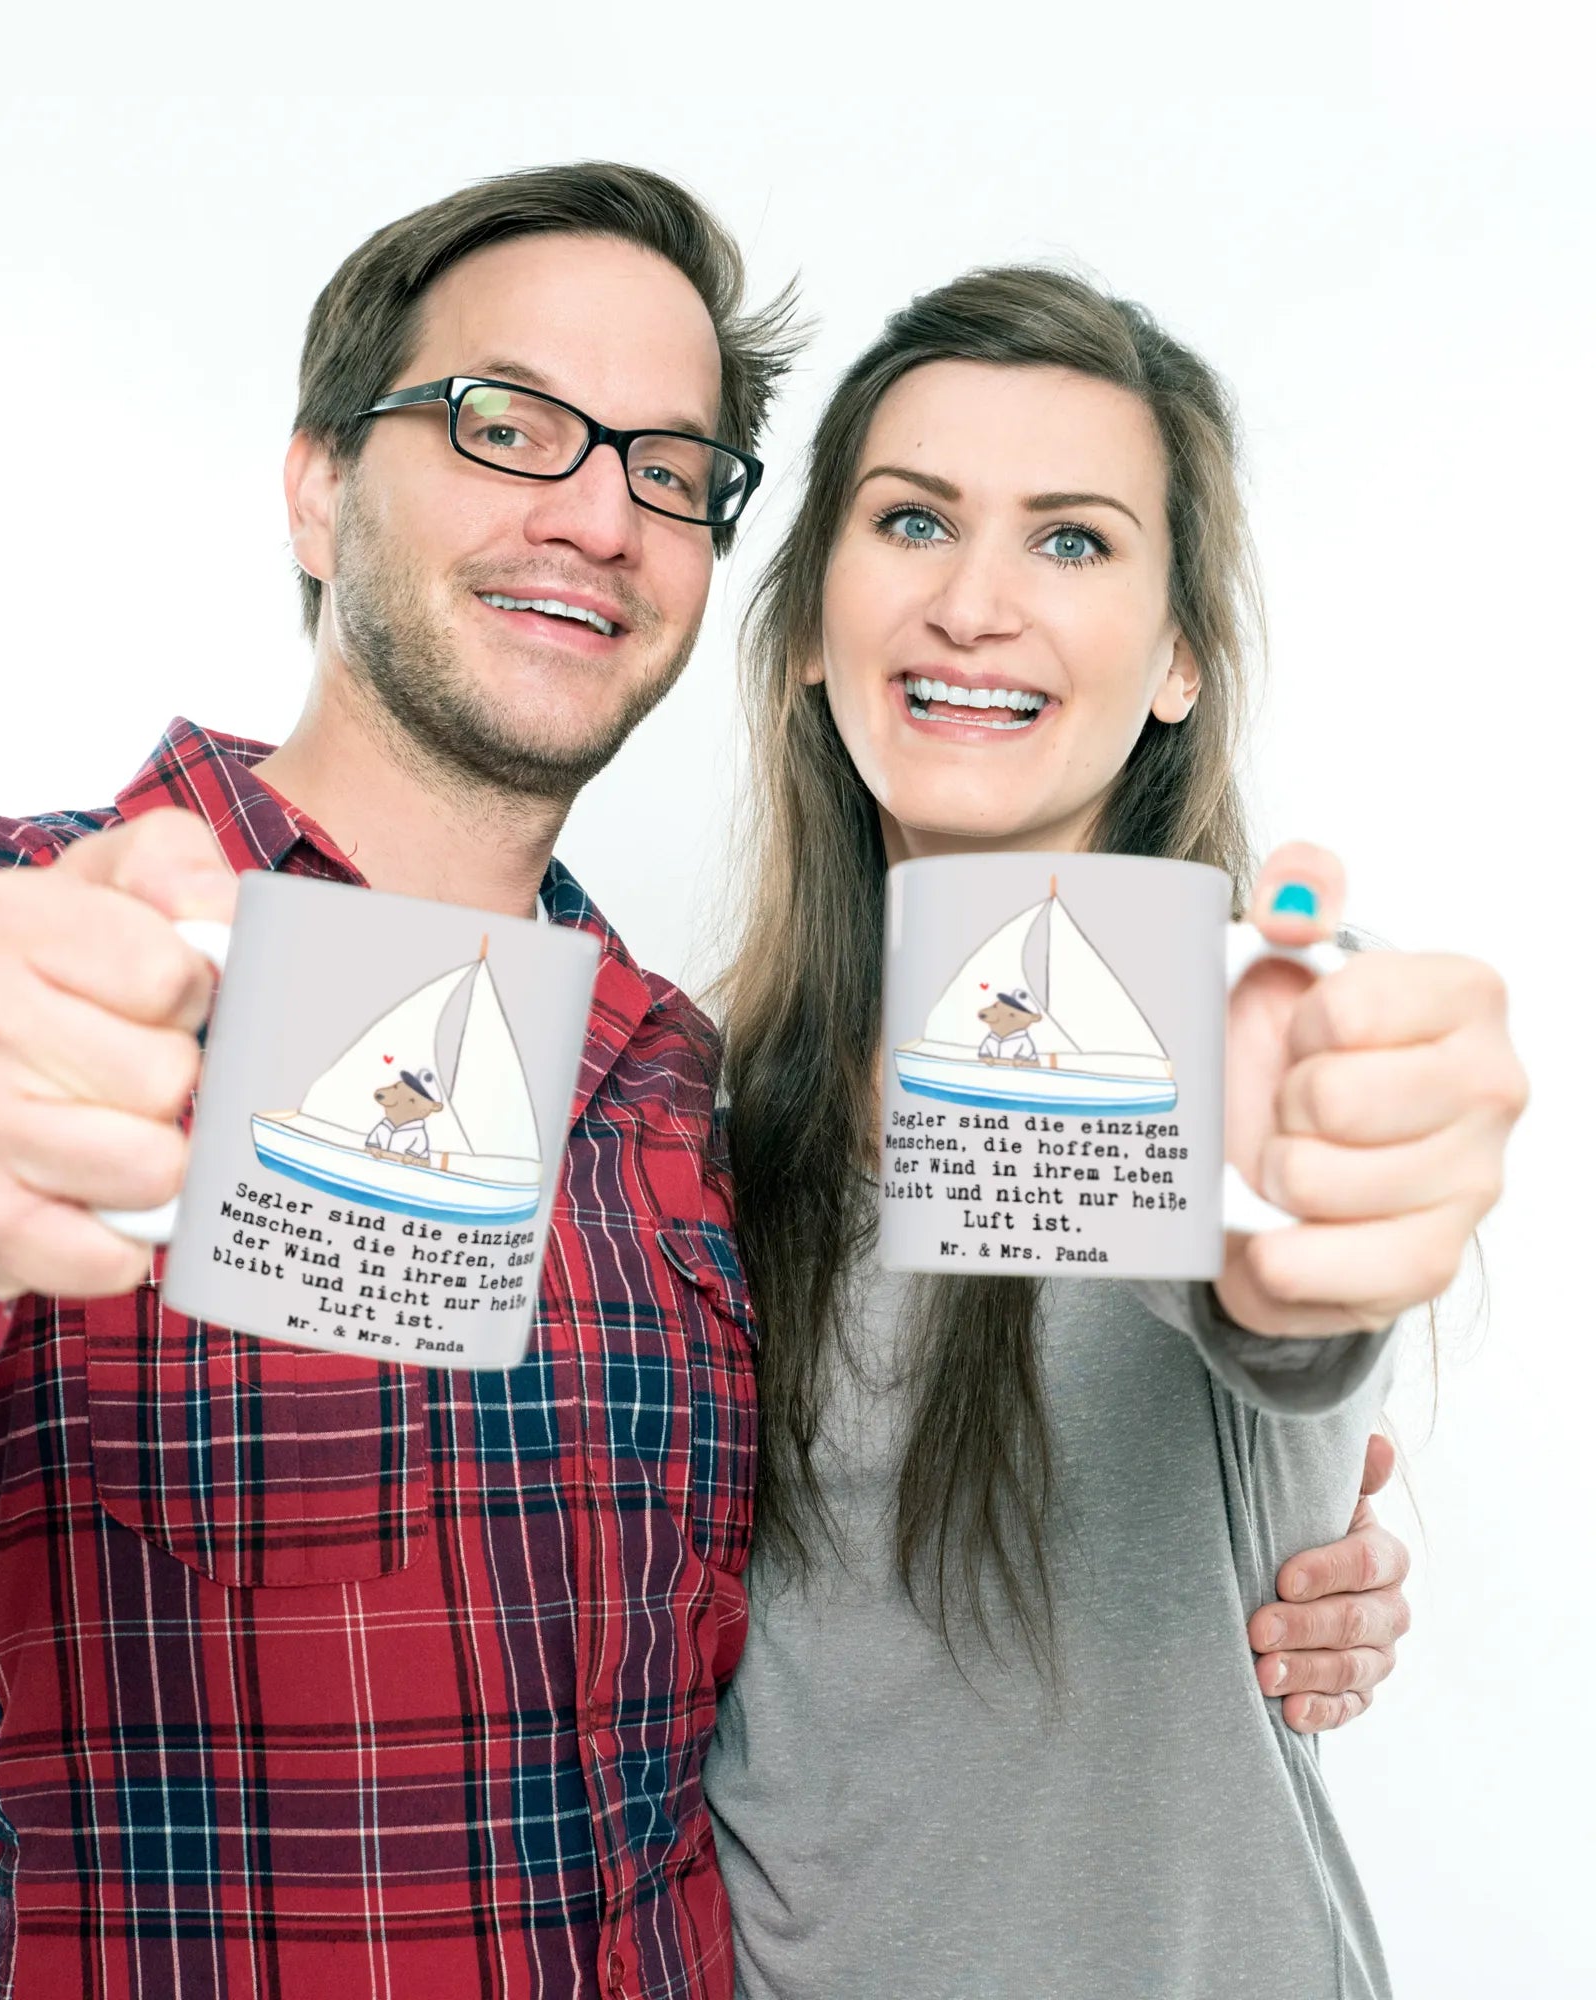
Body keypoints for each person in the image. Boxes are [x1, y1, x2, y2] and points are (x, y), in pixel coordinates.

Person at [0, 163, 1414, 2000]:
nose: (596, 514)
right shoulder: (34, 924)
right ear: (319, 484)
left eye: (667, 467)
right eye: (507, 424)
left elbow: (1215, 1317)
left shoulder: (677, 1092)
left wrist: (1298, 1460)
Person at [706, 267, 1528, 1997]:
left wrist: (1321, 1225)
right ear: (806, 629)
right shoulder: (693, 1114)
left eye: (1072, 540)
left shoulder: (1247, 1031)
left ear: (1177, 662)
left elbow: (1278, 1293)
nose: (975, 604)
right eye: (913, 520)